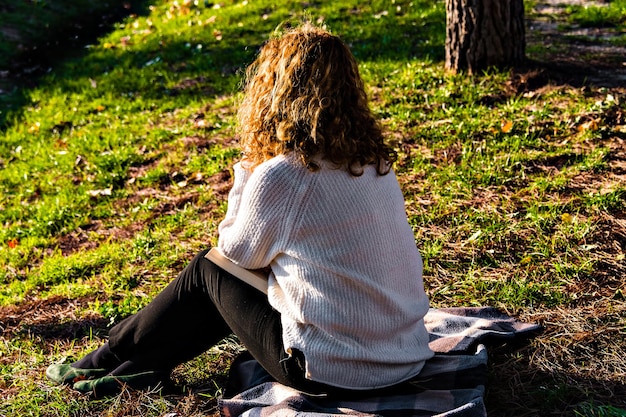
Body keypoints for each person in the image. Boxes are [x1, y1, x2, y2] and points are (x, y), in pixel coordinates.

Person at [46, 22, 434, 398]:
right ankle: (137, 368)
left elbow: (235, 253)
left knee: (208, 270)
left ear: (274, 93)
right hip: (403, 356)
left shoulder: (286, 174)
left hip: (334, 372)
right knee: (221, 275)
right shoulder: (370, 162)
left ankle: (112, 355)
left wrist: (249, 169)